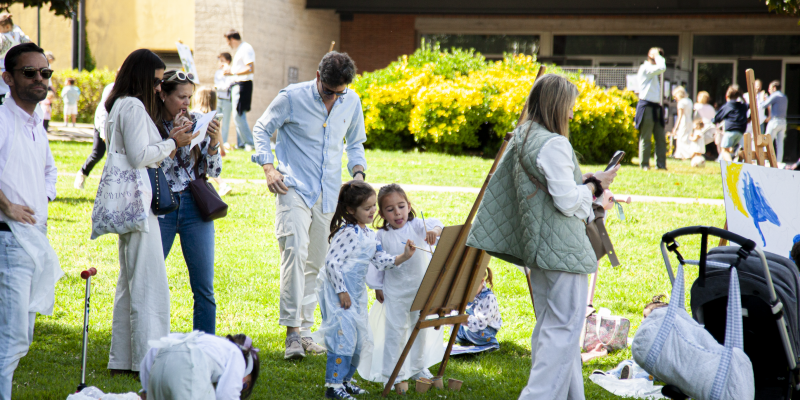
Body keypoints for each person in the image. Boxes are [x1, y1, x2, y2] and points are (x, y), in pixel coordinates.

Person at [465, 74, 619, 399]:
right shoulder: (554, 143)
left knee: (551, 327)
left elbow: (550, 189)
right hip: (563, 249)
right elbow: (566, 202)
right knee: (563, 331)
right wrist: (594, 185)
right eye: (570, 107)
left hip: (540, 248)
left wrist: (586, 182)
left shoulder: (523, 135)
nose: (572, 114)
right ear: (557, 106)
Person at [251, 51, 367, 360]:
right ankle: (291, 334)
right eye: (328, 90)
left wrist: (358, 174)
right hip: (293, 187)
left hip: (329, 194)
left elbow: (355, 143)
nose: (332, 97)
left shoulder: (351, 102)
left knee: (316, 264)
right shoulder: (291, 97)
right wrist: (268, 167)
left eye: (338, 93)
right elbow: (261, 129)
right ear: (318, 76)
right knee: (295, 252)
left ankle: (304, 331)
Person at [104, 49, 197, 376]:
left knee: (131, 285)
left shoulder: (121, 105)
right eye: (157, 81)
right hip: (138, 203)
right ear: (143, 77)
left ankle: (125, 360)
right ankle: (145, 360)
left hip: (132, 202)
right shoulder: (131, 105)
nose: (160, 88)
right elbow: (139, 155)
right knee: (147, 284)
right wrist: (173, 142)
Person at [0, 42, 62, 400]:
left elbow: (50, 171)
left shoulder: (36, 121)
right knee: (11, 338)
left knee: (21, 336)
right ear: (8, 78)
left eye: (45, 72)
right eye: (30, 73)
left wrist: (41, 198)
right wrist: (8, 204)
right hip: (9, 240)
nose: (40, 79)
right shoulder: (4, 119)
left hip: (35, 238)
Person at [318, 180, 416, 400]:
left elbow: (380, 259)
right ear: (351, 210)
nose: (374, 211)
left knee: (358, 340)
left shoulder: (369, 235)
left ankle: (345, 381)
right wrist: (341, 291)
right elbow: (332, 263)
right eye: (368, 208)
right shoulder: (348, 233)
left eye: (374, 206)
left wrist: (403, 256)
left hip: (356, 295)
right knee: (342, 338)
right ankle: (333, 386)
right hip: (339, 294)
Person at [156, 71, 223, 335]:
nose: (186, 103)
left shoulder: (197, 121)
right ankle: (149, 342)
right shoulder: (153, 124)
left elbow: (213, 172)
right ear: (163, 94)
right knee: (151, 278)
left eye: (190, 97)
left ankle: (205, 345)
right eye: (181, 97)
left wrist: (214, 144)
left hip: (196, 208)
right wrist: (173, 141)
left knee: (204, 287)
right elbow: (154, 166)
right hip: (163, 206)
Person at [359, 184, 444, 385]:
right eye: (390, 209)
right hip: (395, 292)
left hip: (419, 290)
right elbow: (377, 264)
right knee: (394, 331)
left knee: (419, 329)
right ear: (382, 213)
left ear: (409, 206)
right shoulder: (381, 236)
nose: (398, 213)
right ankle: (392, 373)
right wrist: (377, 286)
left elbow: (437, 225)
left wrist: (433, 231)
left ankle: (417, 367)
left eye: (401, 206)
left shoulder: (416, 226)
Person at [139, 332, 260, 400]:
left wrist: (146, 388)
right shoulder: (237, 356)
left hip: (158, 369)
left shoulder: (202, 340)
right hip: (189, 370)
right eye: (243, 385)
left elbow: (155, 349)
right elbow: (226, 395)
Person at [192, 85, 233, 195]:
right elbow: (217, 134)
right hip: (205, 154)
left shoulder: (191, 115)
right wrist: (222, 148)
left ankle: (223, 185)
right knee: (207, 167)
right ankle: (222, 184)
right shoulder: (210, 118)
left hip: (194, 157)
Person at [74, 81, 114, 190]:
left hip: (116, 127)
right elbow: (103, 110)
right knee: (97, 154)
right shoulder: (111, 88)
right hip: (102, 125)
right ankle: (82, 174)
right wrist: (104, 132)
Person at [634, 47, 667, 170]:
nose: (659, 58)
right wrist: (656, 55)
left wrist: (658, 56)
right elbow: (662, 67)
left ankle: (661, 165)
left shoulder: (654, 71)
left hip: (656, 107)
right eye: (658, 56)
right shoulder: (645, 68)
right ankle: (644, 165)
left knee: (660, 138)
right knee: (646, 138)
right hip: (646, 106)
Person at [455, 268, 502, 347]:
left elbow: (481, 323)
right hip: (470, 324)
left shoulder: (488, 297)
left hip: (486, 328)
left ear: (482, 281)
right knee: (454, 330)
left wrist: (464, 320)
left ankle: (491, 343)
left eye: (472, 287)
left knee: (469, 331)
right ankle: (468, 339)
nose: (468, 290)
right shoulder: (468, 295)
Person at [224, 30, 255, 151]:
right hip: (237, 84)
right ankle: (241, 144)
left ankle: (250, 143)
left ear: (232, 39)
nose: (228, 45)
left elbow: (250, 68)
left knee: (238, 114)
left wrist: (232, 72)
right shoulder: (241, 49)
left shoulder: (246, 48)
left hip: (243, 84)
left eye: (228, 42)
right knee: (237, 115)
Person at [0, 13, 31, 105]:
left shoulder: (2, 38)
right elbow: (30, 43)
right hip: (15, 66)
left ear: (7, 26)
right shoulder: (19, 35)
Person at [712, 85, 749, 162]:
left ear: (727, 95)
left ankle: (730, 164)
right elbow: (749, 106)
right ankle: (737, 156)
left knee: (724, 150)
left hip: (730, 131)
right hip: (741, 132)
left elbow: (717, 118)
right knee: (731, 148)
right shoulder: (742, 106)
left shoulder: (728, 106)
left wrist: (712, 120)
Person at [761, 80, 789, 163]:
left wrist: (764, 98)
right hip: (783, 122)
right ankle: (779, 162)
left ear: (774, 88)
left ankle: (765, 161)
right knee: (780, 144)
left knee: (767, 141)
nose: (769, 91)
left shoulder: (775, 96)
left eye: (769, 89)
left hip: (775, 121)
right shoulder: (784, 97)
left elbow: (764, 105)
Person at [214, 52, 233, 151]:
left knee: (225, 122)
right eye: (219, 61)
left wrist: (218, 87)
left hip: (227, 100)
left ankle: (224, 143)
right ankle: (217, 141)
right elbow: (216, 84)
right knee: (216, 121)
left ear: (228, 62)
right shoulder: (218, 72)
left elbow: (226, 86)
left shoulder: (231, 72)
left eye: (223, 61)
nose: (220, 63)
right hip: (218, 98)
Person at [671, 86, 693, 159]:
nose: (675, 98)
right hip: (690, 121)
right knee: (687, 139)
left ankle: (684, 155)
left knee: (681, 139)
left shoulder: (681, 102)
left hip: (684, 122)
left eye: (675, 96)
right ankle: (684, 154)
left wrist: (675, 127)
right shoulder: (689, 101)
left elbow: (680, 116)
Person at [693, 91, 717, 159]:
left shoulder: (697, 106)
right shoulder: (711, 107)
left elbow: (695, 117)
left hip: (701, 127)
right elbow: (713, 117)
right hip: (711, 128)